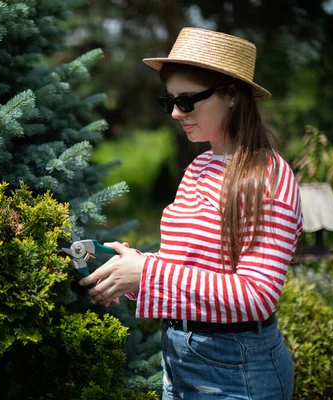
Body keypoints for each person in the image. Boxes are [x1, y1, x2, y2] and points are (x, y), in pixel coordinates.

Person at [79, 27, 303, 400]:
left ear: (231, 95)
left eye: (187, 101)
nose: (174, 113)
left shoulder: (267, 175)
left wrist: (148, 273)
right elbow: (190, 267)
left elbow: (257, 295)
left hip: (237, 371)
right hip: (182, 361)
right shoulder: (200, 167)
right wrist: (132, 270)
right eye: (168, 101)